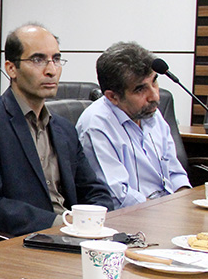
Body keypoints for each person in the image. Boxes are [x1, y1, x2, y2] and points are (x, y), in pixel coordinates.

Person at [0, 23, 112, 236]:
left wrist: (96, 219)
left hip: (75, 234)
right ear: (11, 69)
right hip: (24, 239)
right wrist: (59, 223)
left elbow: (94, 190)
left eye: (56, 59)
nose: (51, 70)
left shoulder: (64, 128)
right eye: (38, 60)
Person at [76, 41, 191, 208]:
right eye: (140, 89)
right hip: (133, 216)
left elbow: (174, 173)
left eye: (154, 82)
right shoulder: (96, 125)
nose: (154, 96)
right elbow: (119, 197)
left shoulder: (151, 113)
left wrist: (186, 204)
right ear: (113, 97)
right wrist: (167, 210)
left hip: (166, 209)